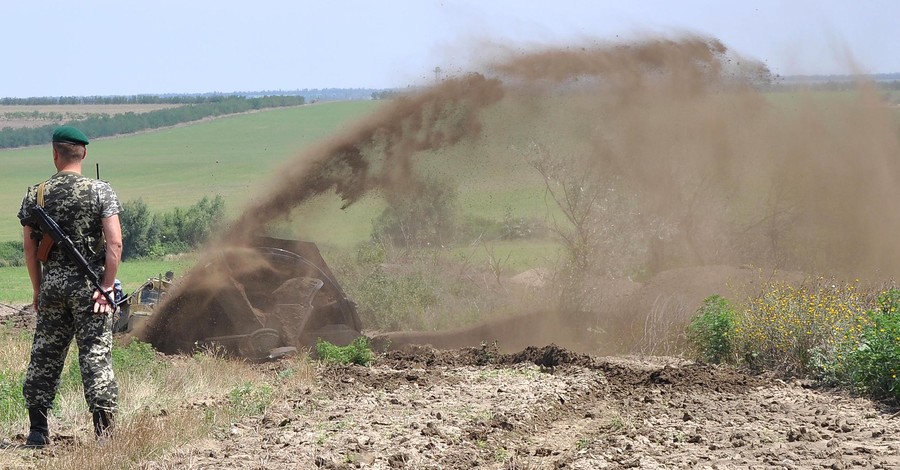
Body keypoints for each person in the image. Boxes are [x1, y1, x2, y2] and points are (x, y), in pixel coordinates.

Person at [17, 126, 123, 448]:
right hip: (90, 290)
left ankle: (37, 431)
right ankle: (104, 435)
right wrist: (105, 286)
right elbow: (115, 244)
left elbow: (31, 251)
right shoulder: (101, 191)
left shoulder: (37, 194)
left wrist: (39, 290)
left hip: (52, 288)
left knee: (45, 353)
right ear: (84, 154)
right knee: (95, 356)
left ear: (54, 153)